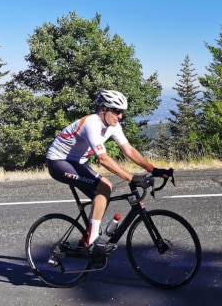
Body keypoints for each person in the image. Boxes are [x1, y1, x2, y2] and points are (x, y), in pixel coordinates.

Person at [46, 89, 169, 250]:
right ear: (104, 109)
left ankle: (85, 241)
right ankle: (92, 239)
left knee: (103, 197)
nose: (120, 116)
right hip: (58, 162)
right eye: (117, 111)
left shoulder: (113, 125)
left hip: (77, 162)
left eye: (122, 112)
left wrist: (152, 168)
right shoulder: (91, 123)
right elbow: (103, 159)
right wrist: (131, 177)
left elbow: (128, 150)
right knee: (105, 186)